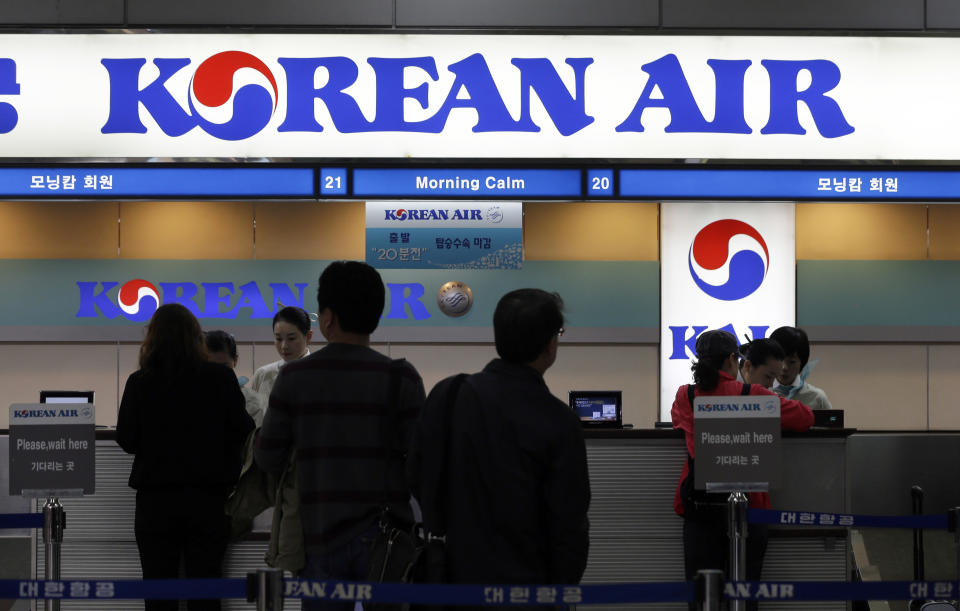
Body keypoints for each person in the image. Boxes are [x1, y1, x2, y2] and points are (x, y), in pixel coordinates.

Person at [255, 261, 426, 611]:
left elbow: (267, 456)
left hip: (320, 535)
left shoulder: (294, 378)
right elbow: (421, 463)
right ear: (376, 315)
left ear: (328, 318)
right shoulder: (401, 377)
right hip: (387, 537)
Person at [409, 288, 591, 588]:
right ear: (550, 344)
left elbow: (416, 476)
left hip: (449, 582)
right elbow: (569, 523)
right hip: (529, 587)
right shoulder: (560, 421)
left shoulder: (449, 395)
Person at [117, 304, 254, 611]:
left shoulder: (140, 381)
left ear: (151, 338)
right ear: (196, 337)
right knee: (205, 588)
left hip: (155, 501)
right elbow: (243, 428)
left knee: (158, 589)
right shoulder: (220, 377)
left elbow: (126, 439)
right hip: (207, 499)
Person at [672, 330, 813, 607]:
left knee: (702, 596)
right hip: (750, 509)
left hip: (700, 507)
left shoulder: (685, 396)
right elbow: (805, 417)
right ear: (732, 360)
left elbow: (680, 423)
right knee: (746, 595)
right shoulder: (754, 394)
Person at [250, 305, 314, 401]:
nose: (284, 346)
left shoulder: (321, 374)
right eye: (279, 339)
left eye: (291, 338)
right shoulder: (263, 375)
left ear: (308, 336)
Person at [205, 329, 264, 426]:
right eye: (210, 366)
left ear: (235, 360)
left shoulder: (253, 403)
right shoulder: (189, 395)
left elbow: (253, 439)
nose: (216, 373)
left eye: (223, 367)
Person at [769, 326, 833, 410]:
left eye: (792, 362)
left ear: (802, 362)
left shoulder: (817, 397)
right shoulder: (760, 394)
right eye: (781, 360)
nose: (784, 367)